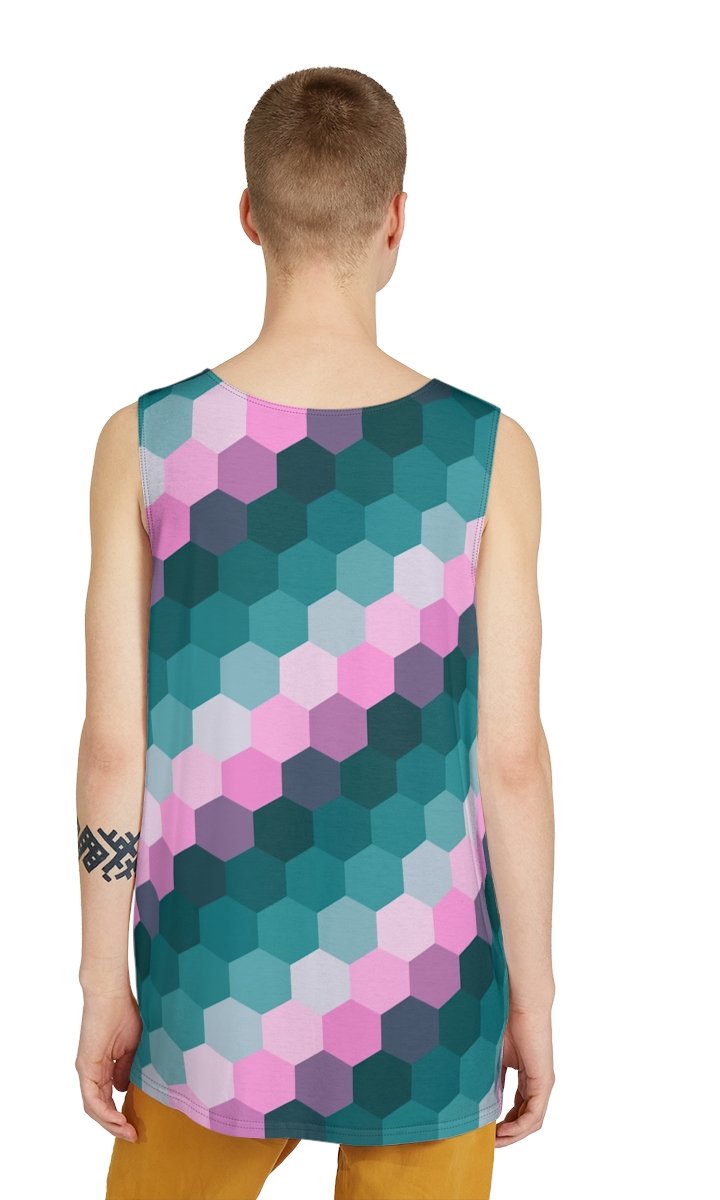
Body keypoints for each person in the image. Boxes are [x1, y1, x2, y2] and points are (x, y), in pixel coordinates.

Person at [75, 65, 555, 1200]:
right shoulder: (486, 451)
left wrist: (101, 979)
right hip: (425, 996)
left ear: (250, 215)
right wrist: (533, 994)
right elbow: (511, 758)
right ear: (397, 219)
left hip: (212, 992)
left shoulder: (147, 441)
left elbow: (114, 745)